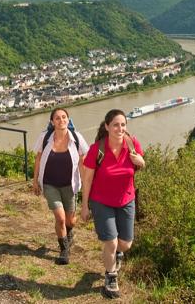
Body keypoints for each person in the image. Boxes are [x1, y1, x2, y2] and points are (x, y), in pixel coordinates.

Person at [80, 109, 145, 299]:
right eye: (116, 124)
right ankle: (110, 278)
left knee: (125, 245)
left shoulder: (132, 144)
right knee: (111, 241)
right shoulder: (97, 149)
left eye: (123, 124)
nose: (120, 128)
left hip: (126, 199)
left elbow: (141, 163)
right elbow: (88, 179)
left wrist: (140, 160)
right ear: (107, 126)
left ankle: (117, 254)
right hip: (101, 201)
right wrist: (84, 205)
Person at [32, 108, 89, 265]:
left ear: (68, 120)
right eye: (57, 118)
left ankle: (68, 233)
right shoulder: (45, 137)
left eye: (64, 117)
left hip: (69, 186)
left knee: (71, 221)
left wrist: (86, 186)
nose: (61, 120)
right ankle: (64, 250)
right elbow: (37, 159)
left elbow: (83, 164)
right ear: (52, 122)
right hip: (50, 185)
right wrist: (35, 181)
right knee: (60, 218)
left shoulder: (77, 138)